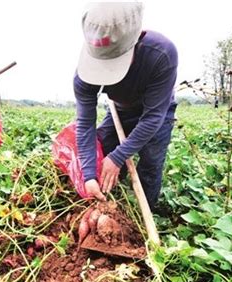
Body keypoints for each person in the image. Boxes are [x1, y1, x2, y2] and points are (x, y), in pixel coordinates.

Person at [74, 2, 178, 215]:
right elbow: (85, 124)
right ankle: (110, 203)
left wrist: (118, 157)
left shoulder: (161, 55)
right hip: (119, 109)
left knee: (150, 162)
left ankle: (143, 217)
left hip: (157, 112)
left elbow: (153, 118)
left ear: (137, 39)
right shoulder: (82, 76)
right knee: (102, 146)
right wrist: (89, 175)